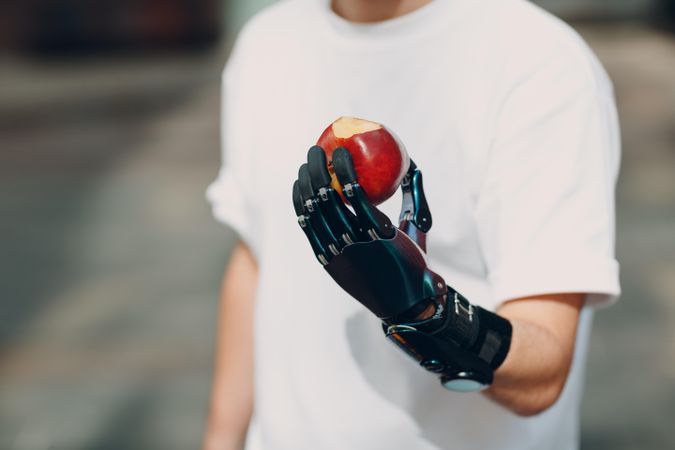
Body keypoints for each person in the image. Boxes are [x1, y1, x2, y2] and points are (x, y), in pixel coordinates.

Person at [203, 0, 621, 449]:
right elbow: (256, 257)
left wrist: (428, 316)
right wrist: (220, 439)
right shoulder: (265, 44)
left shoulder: (538, 62)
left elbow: (543, 374)